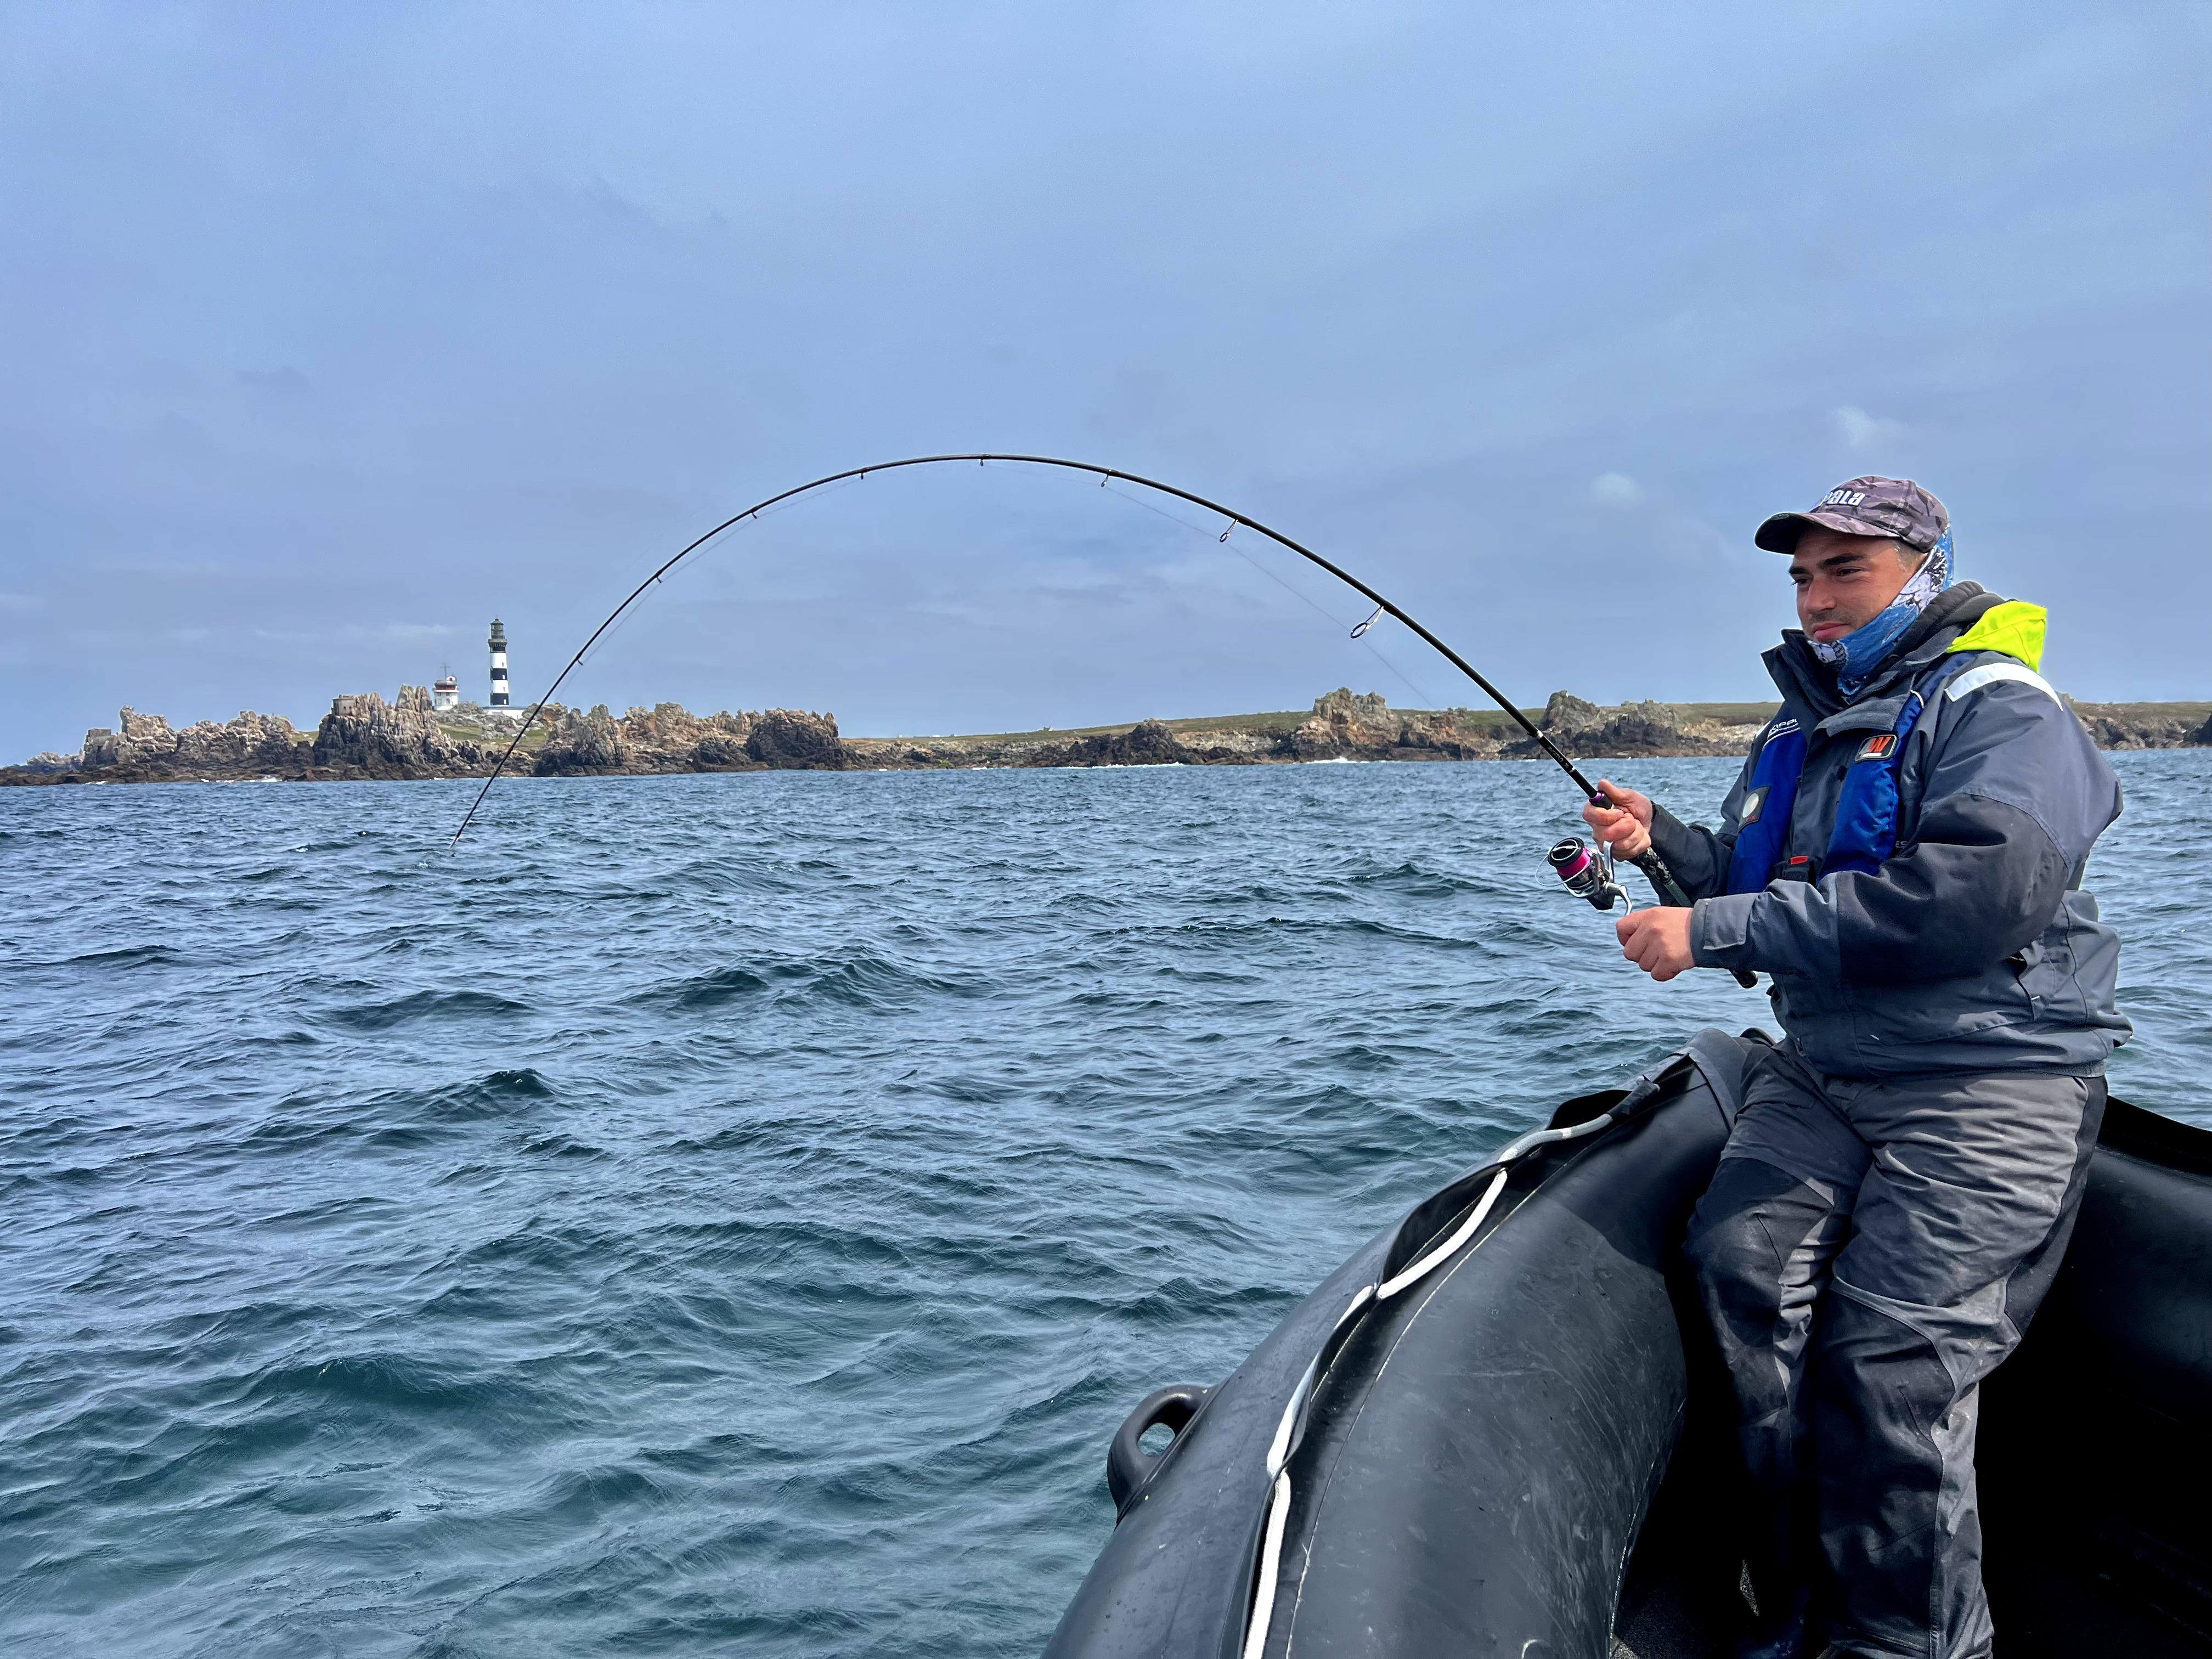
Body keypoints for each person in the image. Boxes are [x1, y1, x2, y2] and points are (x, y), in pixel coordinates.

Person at [1581, 477, 2128, 1659]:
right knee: (1741, 1270)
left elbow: (1979, 897)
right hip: (1826, 1071)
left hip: (1990, 1083)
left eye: (1848, 573)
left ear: (1924, 572)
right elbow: (1758, 869)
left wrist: (1713, 934)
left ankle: (1910, 1647)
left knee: (1892, 1367)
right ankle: (1804, 1610)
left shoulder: (2003, 710)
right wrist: (1667, 844)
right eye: (1803, 576)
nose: (1818, 600)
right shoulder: (1799, 724)